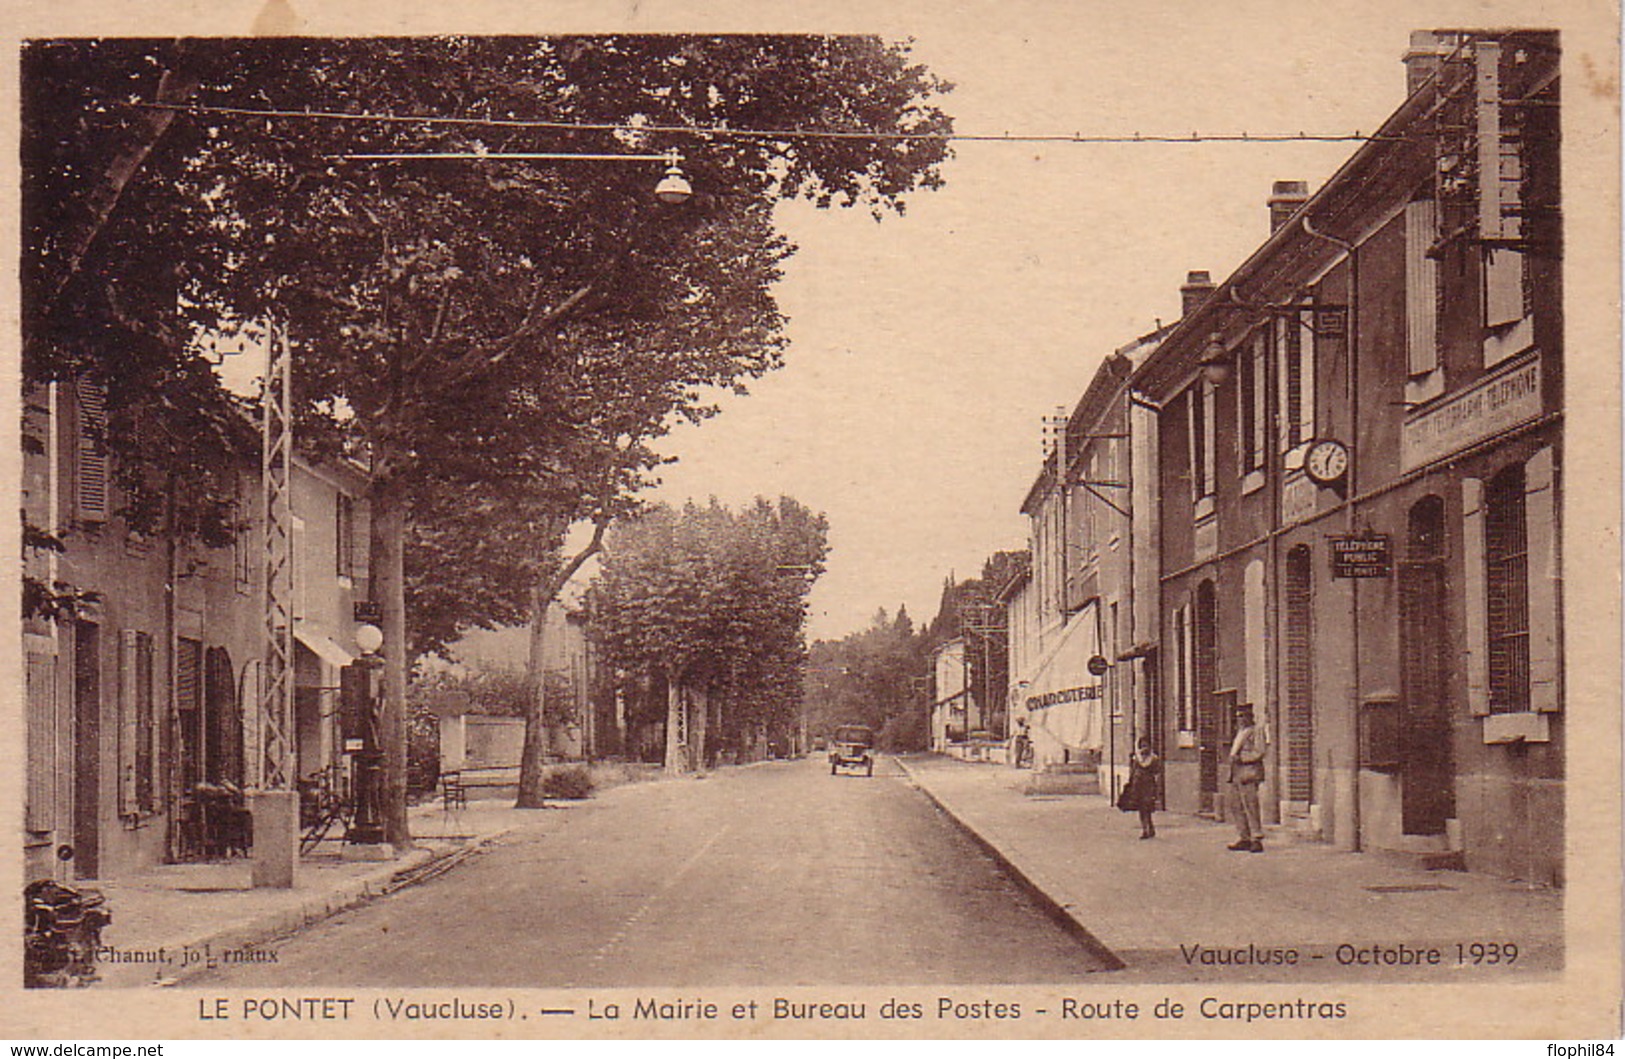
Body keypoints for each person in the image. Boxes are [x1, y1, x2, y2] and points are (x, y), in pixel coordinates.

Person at [1226, 703, 1268, 852]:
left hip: (1249, 772)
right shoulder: (1240, 732)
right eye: (1239, 716)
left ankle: (1256, 838)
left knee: (1251, 806)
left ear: (1251, 717)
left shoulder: (1256, 731)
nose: (1241, 719)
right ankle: (1244, 837)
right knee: (1237, 806)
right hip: (1236, 772)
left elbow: (1259, 752)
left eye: (1244, 716)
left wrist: (1242, 758)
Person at [1119, 736, 1163, 838]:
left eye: (1146, 745)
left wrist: (1156, 787)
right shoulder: (1136, 758)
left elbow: (1157, 772)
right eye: (1142, 746)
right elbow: (1133, 771)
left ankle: (1149, 828)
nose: (1144, 748)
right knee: (1142, 808)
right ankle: (1146, 829)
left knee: (1147, 807)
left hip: (1148, 786)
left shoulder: (1154, 758)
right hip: (1138, 786)